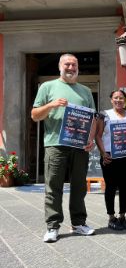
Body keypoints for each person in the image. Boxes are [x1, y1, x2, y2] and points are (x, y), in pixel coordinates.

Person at [31, 53, 96, 243]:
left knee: (79, 187)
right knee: (53, 187)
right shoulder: (47, 87)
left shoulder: (85, 91)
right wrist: (52, 104)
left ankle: (78, 224)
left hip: (79, 146)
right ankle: (52, 226)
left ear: (78, 68)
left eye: (74, 64)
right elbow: (35, 115)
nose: (71, 67)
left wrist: (90, 138)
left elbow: (93, 118)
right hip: (55, 144)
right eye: (67, 64)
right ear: (60, 66)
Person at [95, 90, 126, 230]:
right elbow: (98, 136)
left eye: (121, 98)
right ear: (111, 100)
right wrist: (102, 153)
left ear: (125, 100)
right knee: (111, 187)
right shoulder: (104, 115)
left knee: (125, 187)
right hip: (110, 156)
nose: (118, 100)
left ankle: (123, 216)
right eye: (116, 98)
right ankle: (111, 217)